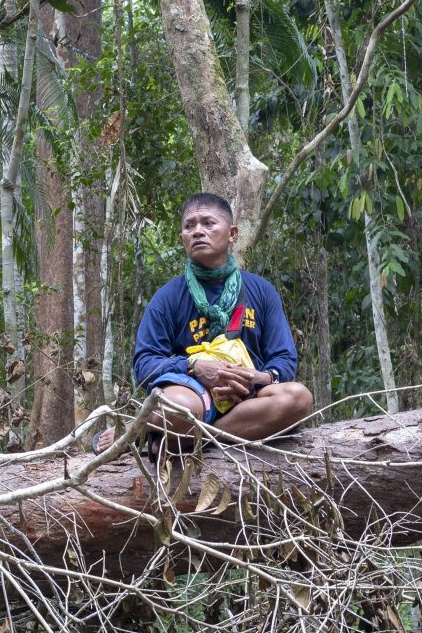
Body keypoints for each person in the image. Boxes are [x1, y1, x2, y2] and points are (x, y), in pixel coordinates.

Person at [94, 193, 313, 453]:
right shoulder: (168, 297)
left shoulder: (261, 291)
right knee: (178, 410)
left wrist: (254, 377)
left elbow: (284, 358)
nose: (198, 231)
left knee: (299, 398)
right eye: (189, 226)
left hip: (247, 399)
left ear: (232, 234)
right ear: (182, 239)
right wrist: (194, 367)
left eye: (208, 223)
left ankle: (173, 437)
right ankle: (178, 431)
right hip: (193, 396)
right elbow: (144, 364)